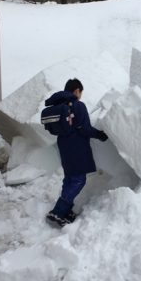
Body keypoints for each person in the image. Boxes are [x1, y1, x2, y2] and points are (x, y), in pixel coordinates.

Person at [46, 78, 108, 227]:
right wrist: (100, 135)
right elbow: (85, 129)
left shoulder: (60, 105)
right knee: (79, 180)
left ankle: (64, 210)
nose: (80, 95)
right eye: (81, 92)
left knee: (69, 178)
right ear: (77, 91)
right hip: (77, 147)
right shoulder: (78, 105)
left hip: (64, 145)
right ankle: (58, 212)